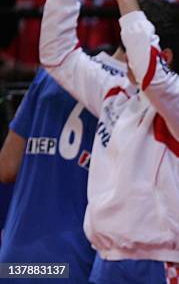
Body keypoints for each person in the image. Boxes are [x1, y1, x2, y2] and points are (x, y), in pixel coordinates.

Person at [39, 0, 179, 283]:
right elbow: (57, 56)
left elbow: (153, 74)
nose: (121, 55)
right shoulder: (118, 92)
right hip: (107, 262)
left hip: (166, 266)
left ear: (163, 54)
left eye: (128, 44)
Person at [0, 54, 126, 283]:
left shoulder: (52, 71)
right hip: (74, 265)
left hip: (14, 260)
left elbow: (7, 166)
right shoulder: (141, 97)